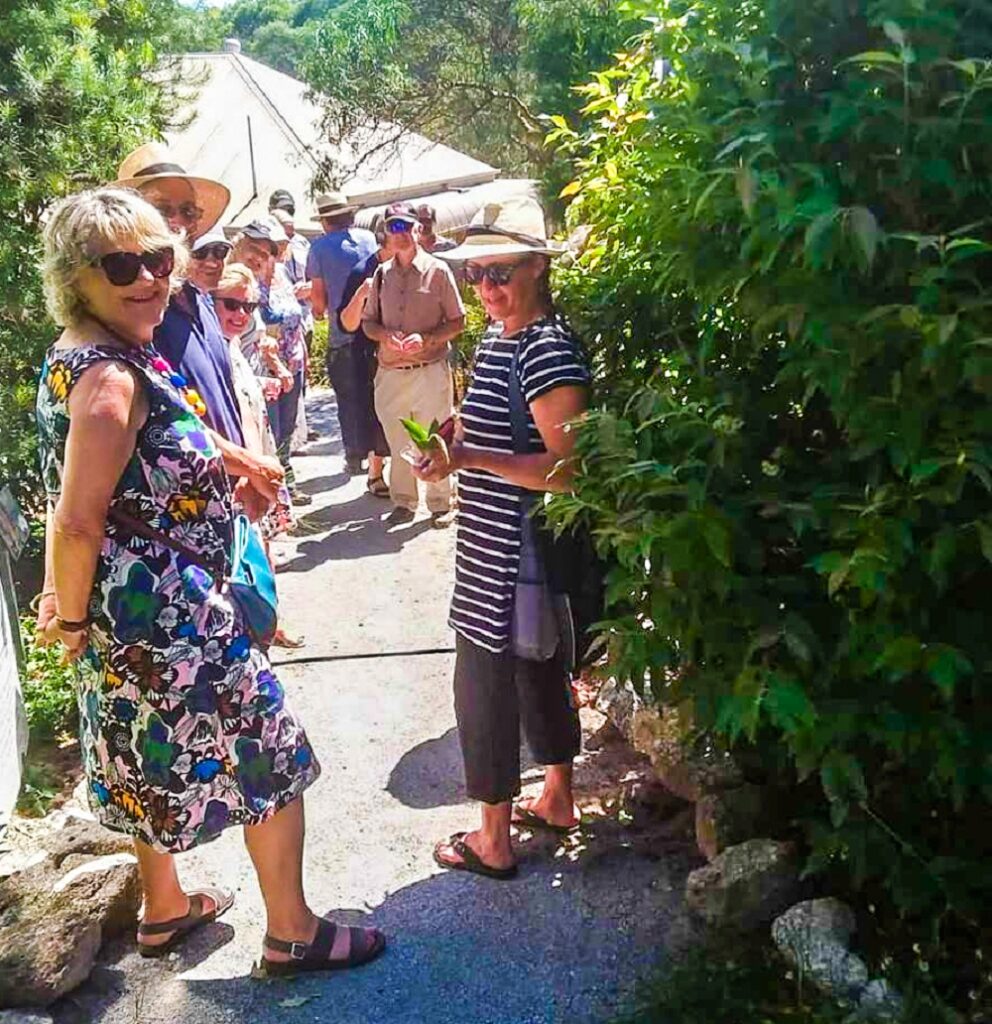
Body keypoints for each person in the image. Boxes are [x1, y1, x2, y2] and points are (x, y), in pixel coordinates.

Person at [34, 187, 384, 971]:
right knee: (273, 754)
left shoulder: (91, 348)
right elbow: (77, 518)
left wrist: (239, 460)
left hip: (124, 616)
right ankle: (294, 932)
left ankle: (165, 909)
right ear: (74, 273)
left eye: (160, 258)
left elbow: (149, 438)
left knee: (141, 756)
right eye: (122, 264)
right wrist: (70, 621)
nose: (150, 278)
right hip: (168, 618)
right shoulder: (111, 380)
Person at [413, 196, 591, 878]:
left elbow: (567, 472)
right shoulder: (504, 337)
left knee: (483, 686)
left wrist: (469, 461)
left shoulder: (545, 349)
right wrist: (451, 436)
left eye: (502, 272)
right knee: (536, 672)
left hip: (517, 555)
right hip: (499, 546)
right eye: (477, 274)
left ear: (539, 268)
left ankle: (491, 840)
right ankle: (557, 797)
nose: (488, 288)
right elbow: (493, 419)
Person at [114, 144, 250, 462]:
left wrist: (245, 461)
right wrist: (241, 463)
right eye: (163, 210)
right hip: (185, 497)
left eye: (188, 211)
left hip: (229, 489)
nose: (178, 222)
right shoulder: (134, 308)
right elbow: (168, 418)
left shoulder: (200, 298)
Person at [213, 263, 301, 649]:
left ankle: (270, 621)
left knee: (263, 547)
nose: (240, 315)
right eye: (230, 304)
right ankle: (258, 628)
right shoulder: (211, 347)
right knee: (245, 554)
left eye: (248, 306)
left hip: (257, 455)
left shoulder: (231, 345)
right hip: (239, 467)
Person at [362, 202, 465, 528]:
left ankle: (441, 502)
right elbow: (368, 324)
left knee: (435, 438)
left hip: (430, 370)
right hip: (390, 373)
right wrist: (385, 335)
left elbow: (458, 321)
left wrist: (428, 339)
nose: (401, 233)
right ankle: (404, 502)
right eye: (394, 227)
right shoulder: (380, 275)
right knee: (397, 439)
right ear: (386, 234)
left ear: (418, 229)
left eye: (407, 226)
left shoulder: (438, 271)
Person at [232, 219, 311, 507]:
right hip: (261, 370)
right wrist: (276, 363)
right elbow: (260, 332)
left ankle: (285, 485)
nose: (261, 256)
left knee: (286, 429)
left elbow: (295, 316)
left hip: (291, 363)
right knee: (269, 432)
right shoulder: (240, 280)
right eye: (254, 248)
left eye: (269, 251)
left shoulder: (282, 276)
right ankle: (272, 494)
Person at [306, 192, 377, 475]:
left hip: (342, 334)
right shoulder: (370, 240)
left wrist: (315, 310)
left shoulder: (319, 248)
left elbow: (319, 301)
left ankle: (354, 453)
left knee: (348, 396)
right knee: (373, 394)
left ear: (325, 221)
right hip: (374, 330)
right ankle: (377, 451)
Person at [334, 215, 392, 498]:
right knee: (375, 415)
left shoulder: (415, 268)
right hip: (369, 355)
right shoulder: (363, 271)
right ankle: (375, 473)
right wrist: (361, 296)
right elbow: (345, 323)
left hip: (406, 355)